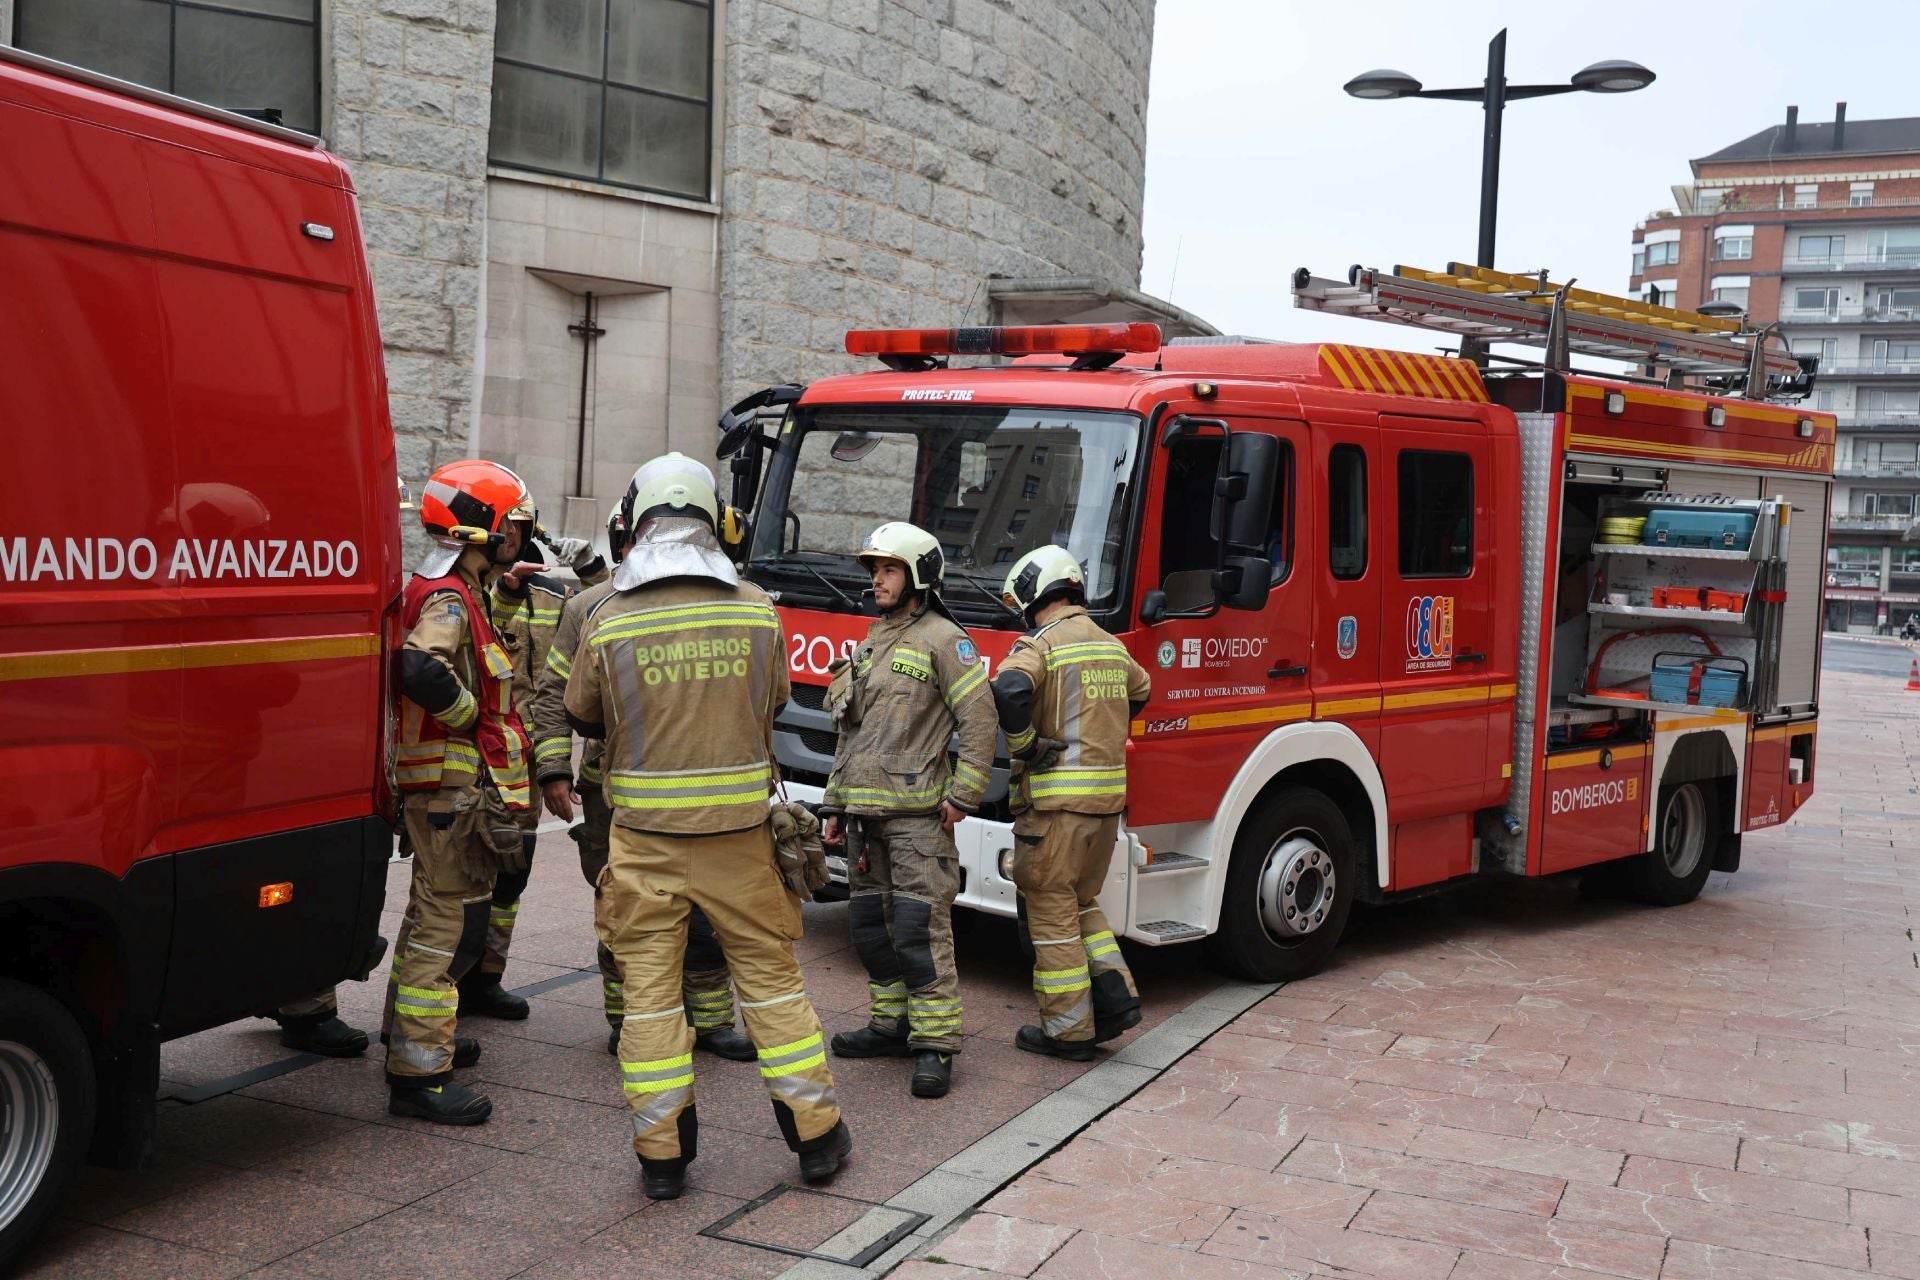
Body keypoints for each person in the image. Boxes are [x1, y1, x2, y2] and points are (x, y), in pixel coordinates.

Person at [564, 453, 850, 1200]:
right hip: (741, 842)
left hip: (645, 848)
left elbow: (580, 716)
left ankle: (663, 1160)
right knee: (775, 992)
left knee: (652, 1000)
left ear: (634, 523)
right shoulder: (757, 608)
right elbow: (778, 696)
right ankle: (817, 1139)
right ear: (716, 523)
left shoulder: (610, 619)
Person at [533, 503, 756, 1063]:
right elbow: (553, 698)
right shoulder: (590, 607)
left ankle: (709, 1021)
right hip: (614, 789)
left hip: (694, 781)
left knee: (705, 909)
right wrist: (555, 771)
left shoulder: (713, 601)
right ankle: (629, 1018)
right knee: (622, 907)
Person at [382, 459, 541, 1125]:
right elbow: (418, 666)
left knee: (428, 919)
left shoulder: (458, 587)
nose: (520, 536)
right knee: (442, 933)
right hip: (444, 790)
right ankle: (421, 1075)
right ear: (482, 526)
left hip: (442, 789)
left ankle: (413, 1040)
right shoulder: (448, 597)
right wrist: (471, 716)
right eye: (514, 524)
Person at [818, 523, 997, 1098]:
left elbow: (980, 721)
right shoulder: (872, 640)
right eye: (874, 570)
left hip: (919, 818)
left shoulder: (947, 640)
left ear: (919, 576)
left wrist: (963, 796)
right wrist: (834, 804)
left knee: (921, 930)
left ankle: (936, 1046)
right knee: (872, 930)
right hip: (865, 818)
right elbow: (852, 732)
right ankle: (891, 1026)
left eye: (889, 570)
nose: (877, 580)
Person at [989, 546, 1151, 1061]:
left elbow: (1009, 688)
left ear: (1038, 594)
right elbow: (1142, 691)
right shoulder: (1111, 645)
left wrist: (1027, 746)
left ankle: (1067, 1032)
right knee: (1081, 904)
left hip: (1054, 810)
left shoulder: (1041, 644)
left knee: (1052, 918)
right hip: (1105, 808)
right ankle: (1117, 996)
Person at [456, 518, 609, 1022]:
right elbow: (483, 640)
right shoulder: (473, 583)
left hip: (528, 757)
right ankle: (455, 981)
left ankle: (487, 979)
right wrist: (506, 588)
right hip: (481, 760)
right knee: (472, 876)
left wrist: (587, 565)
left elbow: (607, 608)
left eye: (521, 527)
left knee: (512, 875)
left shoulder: (554, 589)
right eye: (507, 527)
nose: (514, 536)